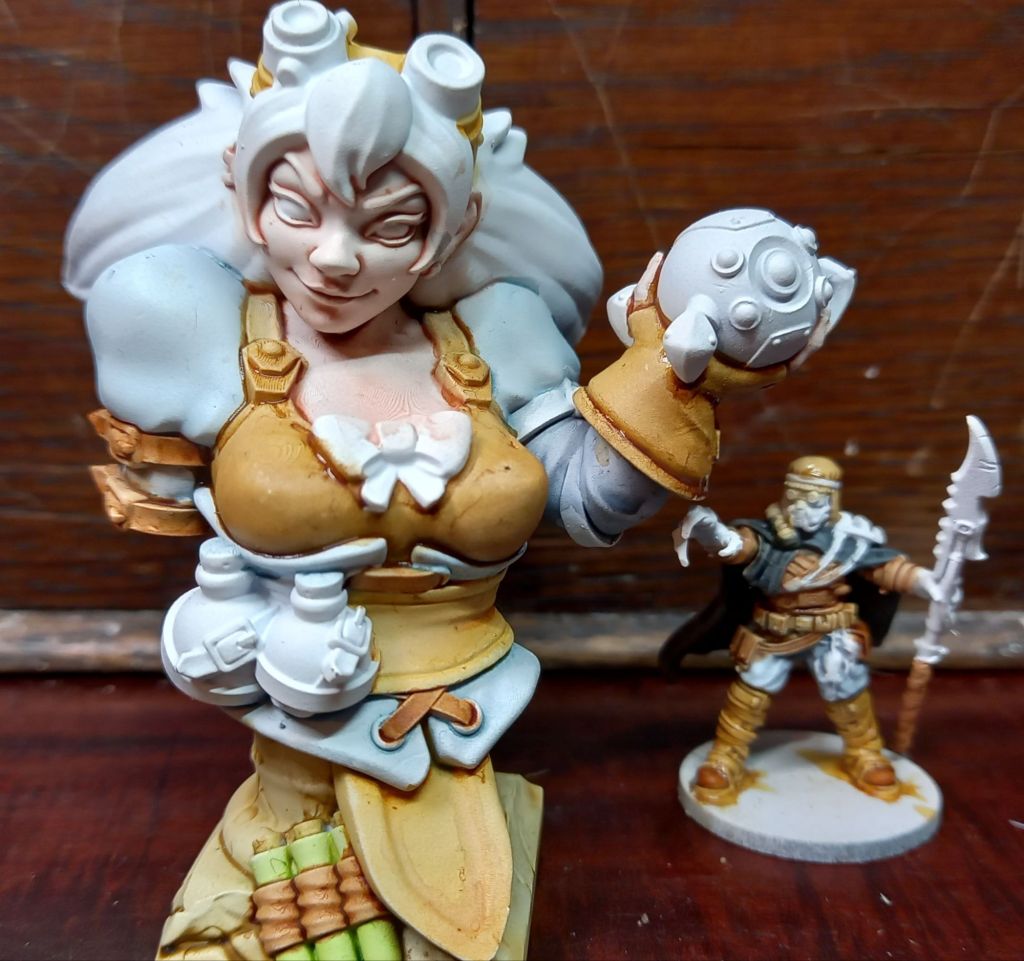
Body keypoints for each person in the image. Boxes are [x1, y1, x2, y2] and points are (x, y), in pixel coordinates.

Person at [64, 4, 853, 957]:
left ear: (452, 228)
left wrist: (680, 373)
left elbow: (589, 498)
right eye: (299, 209)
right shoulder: (202, 329)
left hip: (468, 709)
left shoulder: (494, 340)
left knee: (453, 921)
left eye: (391, 226)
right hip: (290, 712)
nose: (335, 258)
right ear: (243, 188)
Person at [663, 456, 940, 807]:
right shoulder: (769, 537)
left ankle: (865, 754)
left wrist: (924, 581)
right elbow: (737, 547)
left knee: (847, 688)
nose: (803, 508)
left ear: (830, 501)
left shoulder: (848, 540)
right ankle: (726, 757)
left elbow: (884, 568)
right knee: (750, 692)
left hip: (831, 630)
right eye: (795, 497)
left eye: (813, 500)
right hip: (774, 632)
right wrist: (711, 531)